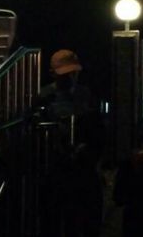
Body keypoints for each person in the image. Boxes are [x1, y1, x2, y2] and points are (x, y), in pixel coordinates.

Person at [35, 49, 105, 237]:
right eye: (65, 74)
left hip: (82, 165)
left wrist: (88, 147)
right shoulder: (43, 97)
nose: (70, 77)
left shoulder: (85, 94)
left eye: (73, 73)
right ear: (53, 74)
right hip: (55, 166)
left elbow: (97, 129)